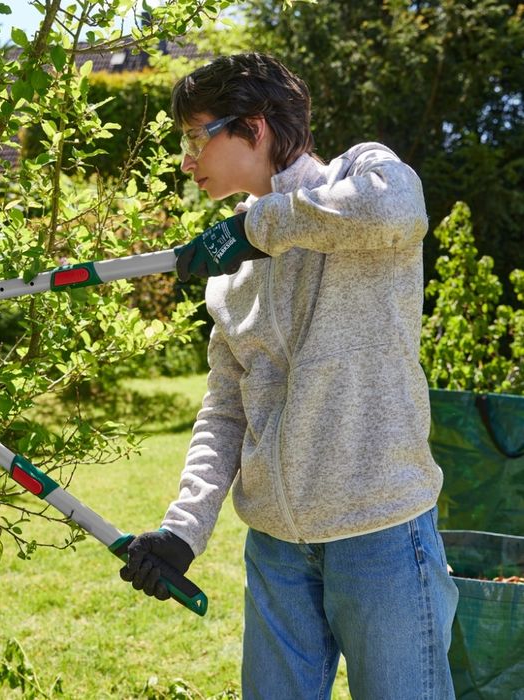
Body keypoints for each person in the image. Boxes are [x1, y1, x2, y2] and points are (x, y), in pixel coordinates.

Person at [120, 52, 459, 700]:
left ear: (251, 126)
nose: (187, 160)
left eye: (195, 137)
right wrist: (183, 529)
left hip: (380, 532)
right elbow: (225, 408)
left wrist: (258, 226)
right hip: (276, 548)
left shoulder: (361, 176)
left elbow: (397, 212)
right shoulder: (230, 268)